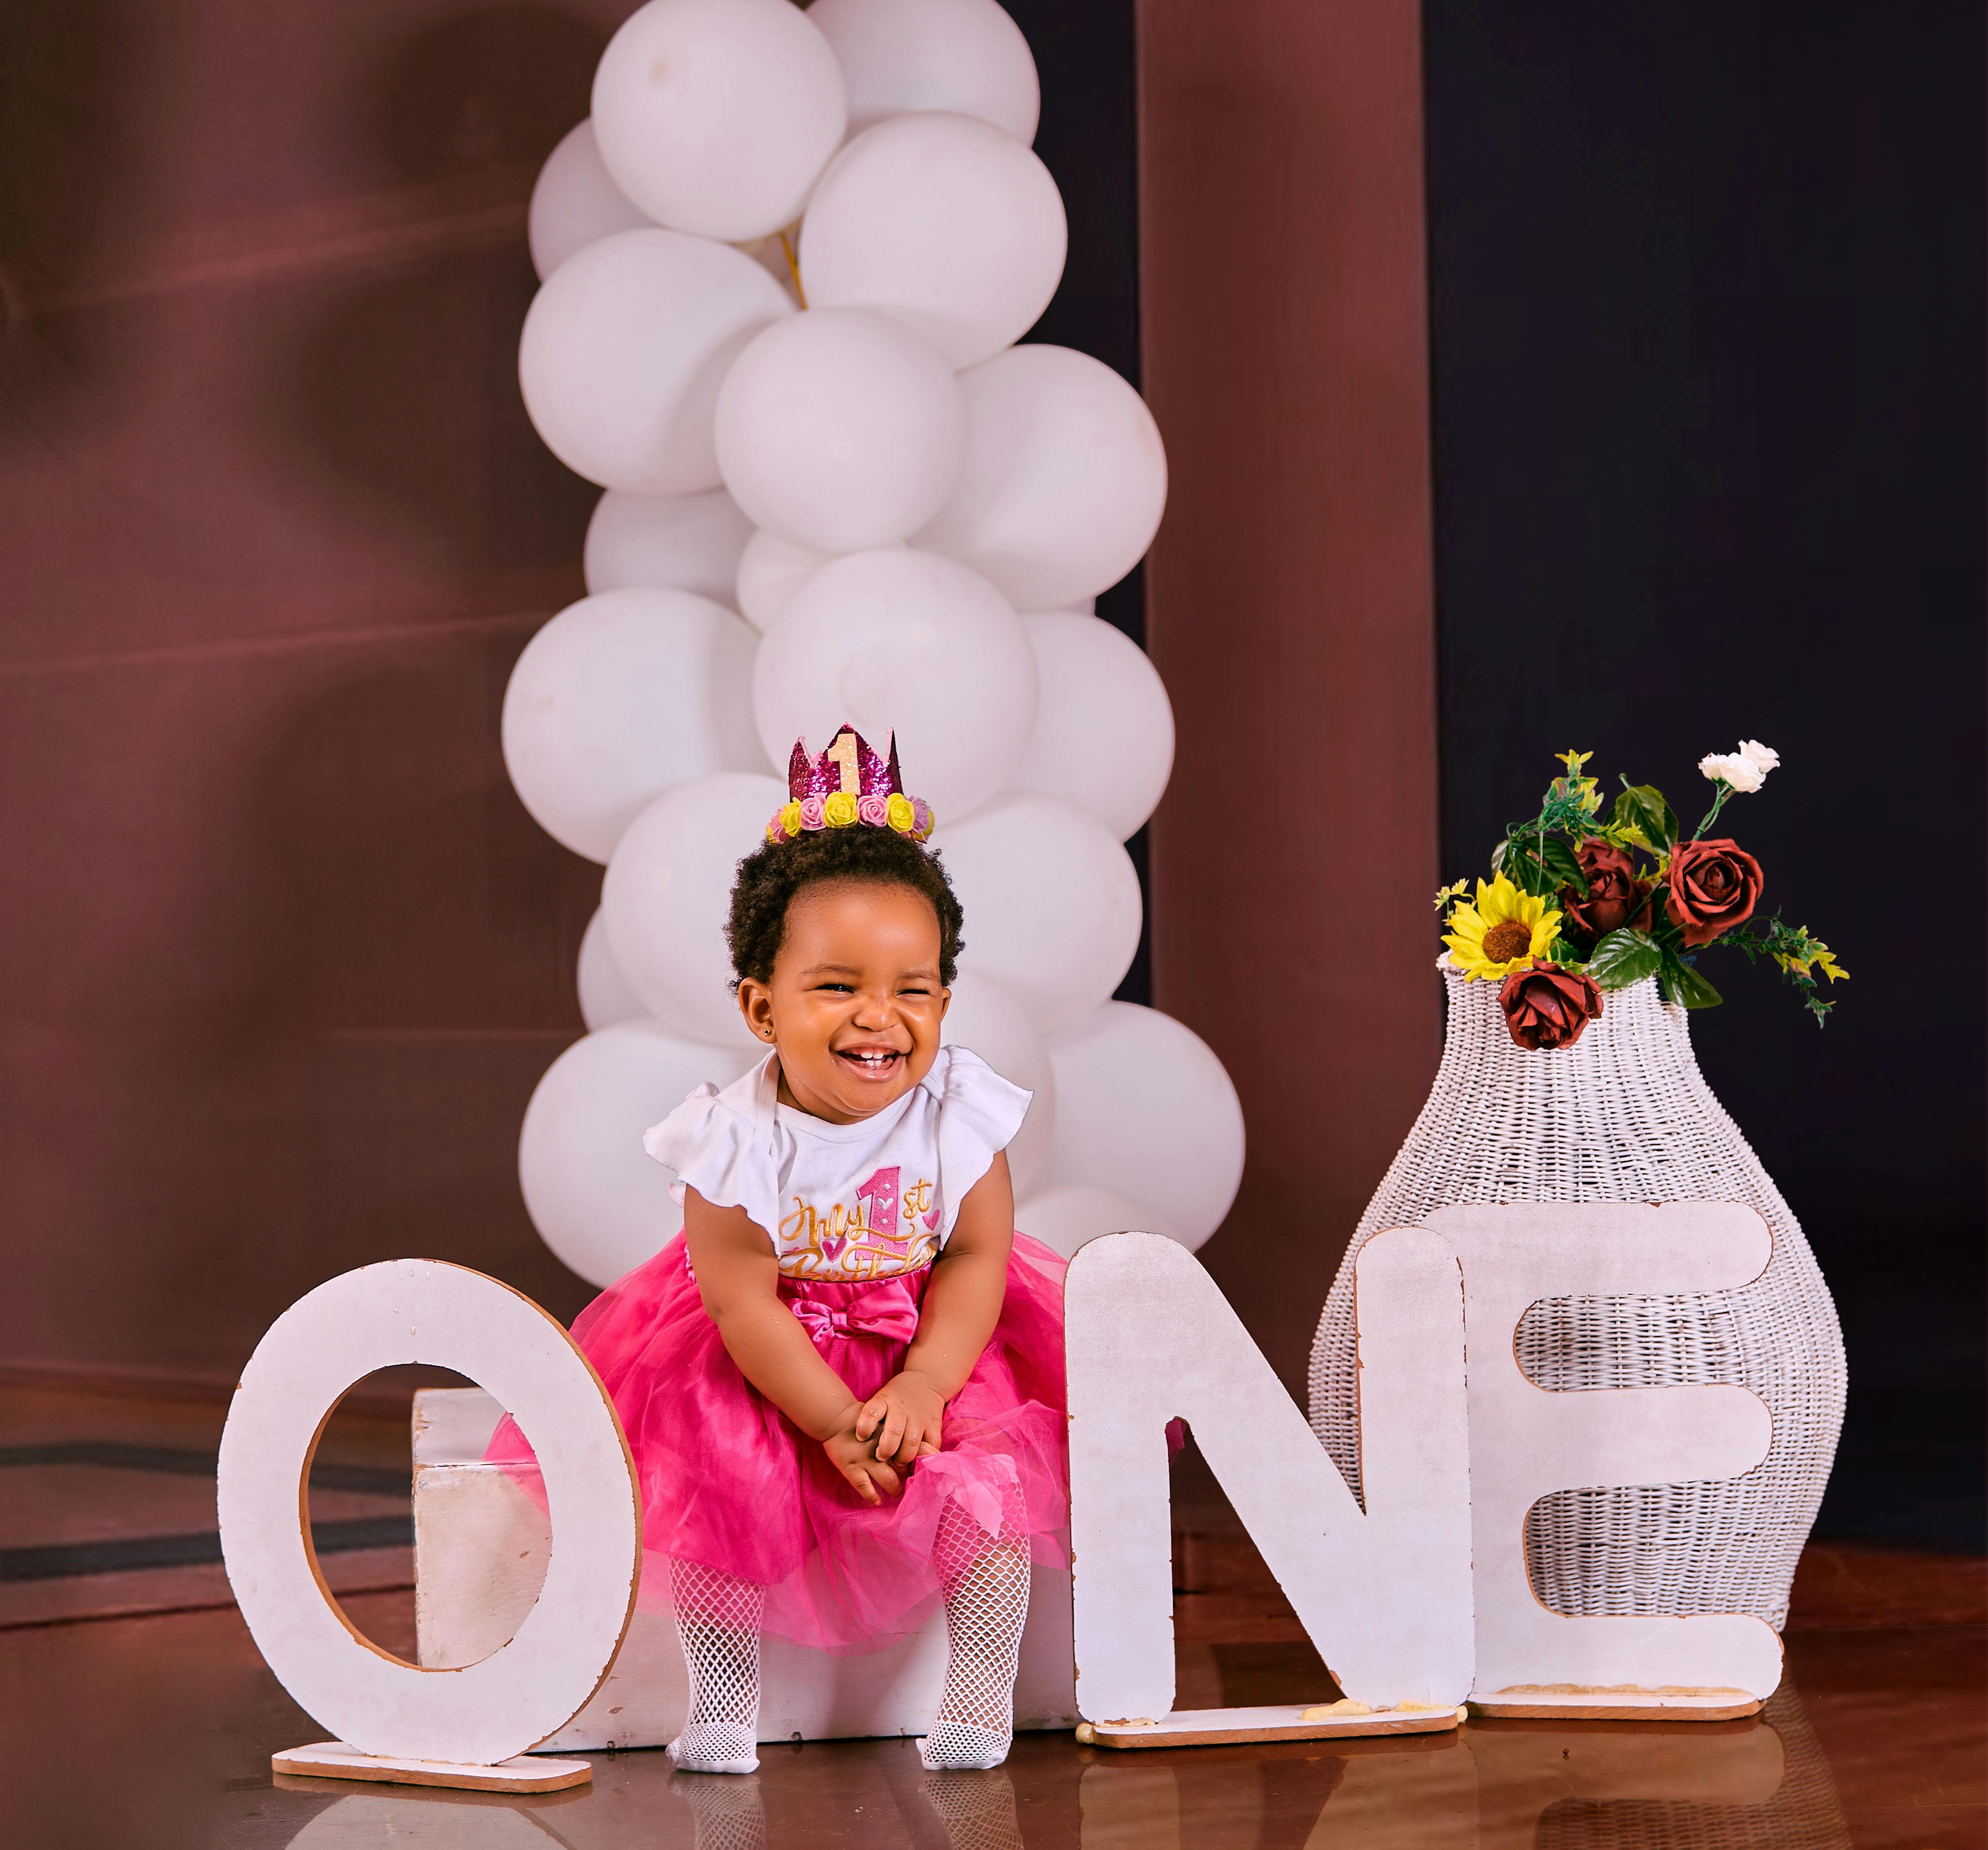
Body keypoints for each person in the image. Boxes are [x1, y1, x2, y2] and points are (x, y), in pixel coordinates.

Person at [491, 725, 1067, 1775]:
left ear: (944, 996)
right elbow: (740, 1301)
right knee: (719, 1464)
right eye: (837, 986)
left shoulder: (956, 1117)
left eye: (914, 988)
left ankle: (977, 1687)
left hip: (927, 1333)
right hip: (778, 1347)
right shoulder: (734, 1139)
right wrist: (834, 1421)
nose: (879, 1019)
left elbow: (980, 1255)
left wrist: (930, 1381)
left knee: (990, 1476)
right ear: (762, 1005)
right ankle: (722, 1696)